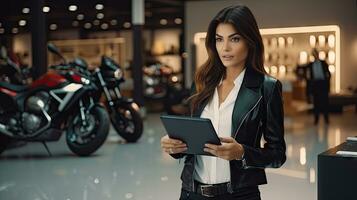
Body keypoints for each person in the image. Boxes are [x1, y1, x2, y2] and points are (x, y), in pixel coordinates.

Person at [160, 5, 286, 200]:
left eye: (234, 39)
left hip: (240, 194)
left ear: (249, 41)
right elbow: (191, 141)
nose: (225, 48)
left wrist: (242, 153)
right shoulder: (202, 83)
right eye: (219, 39)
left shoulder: (266, 87)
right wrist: (174, 147)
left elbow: (277, 155)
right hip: (192, 193)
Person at [306, 48, 331, 125]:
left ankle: (326, 119)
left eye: (315, 53)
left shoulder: (323, 63)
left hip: (323, 84)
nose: (315, 55)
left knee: (325, 103)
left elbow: (328, 74)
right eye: (313, 53)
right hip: (316, 85)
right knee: (316, 103)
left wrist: (327, 81)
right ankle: (316, 119)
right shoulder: (310, 65)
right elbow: (309, 77)